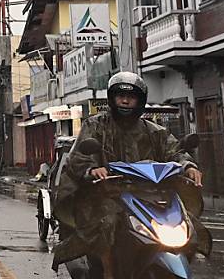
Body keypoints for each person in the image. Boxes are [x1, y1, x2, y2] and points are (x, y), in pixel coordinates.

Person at [51, 71, 203, 278]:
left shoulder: (154, 131)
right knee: (107, 224)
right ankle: (106, 271)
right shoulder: (95, 126)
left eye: (130, 97)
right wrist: (93, 169)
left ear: (139, 101)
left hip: (149, 196)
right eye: (120, 96)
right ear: (112, 99)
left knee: (187, 225)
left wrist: (188, 166)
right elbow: (79, 156)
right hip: (106, 193)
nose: (124, 101)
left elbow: (174, 151)